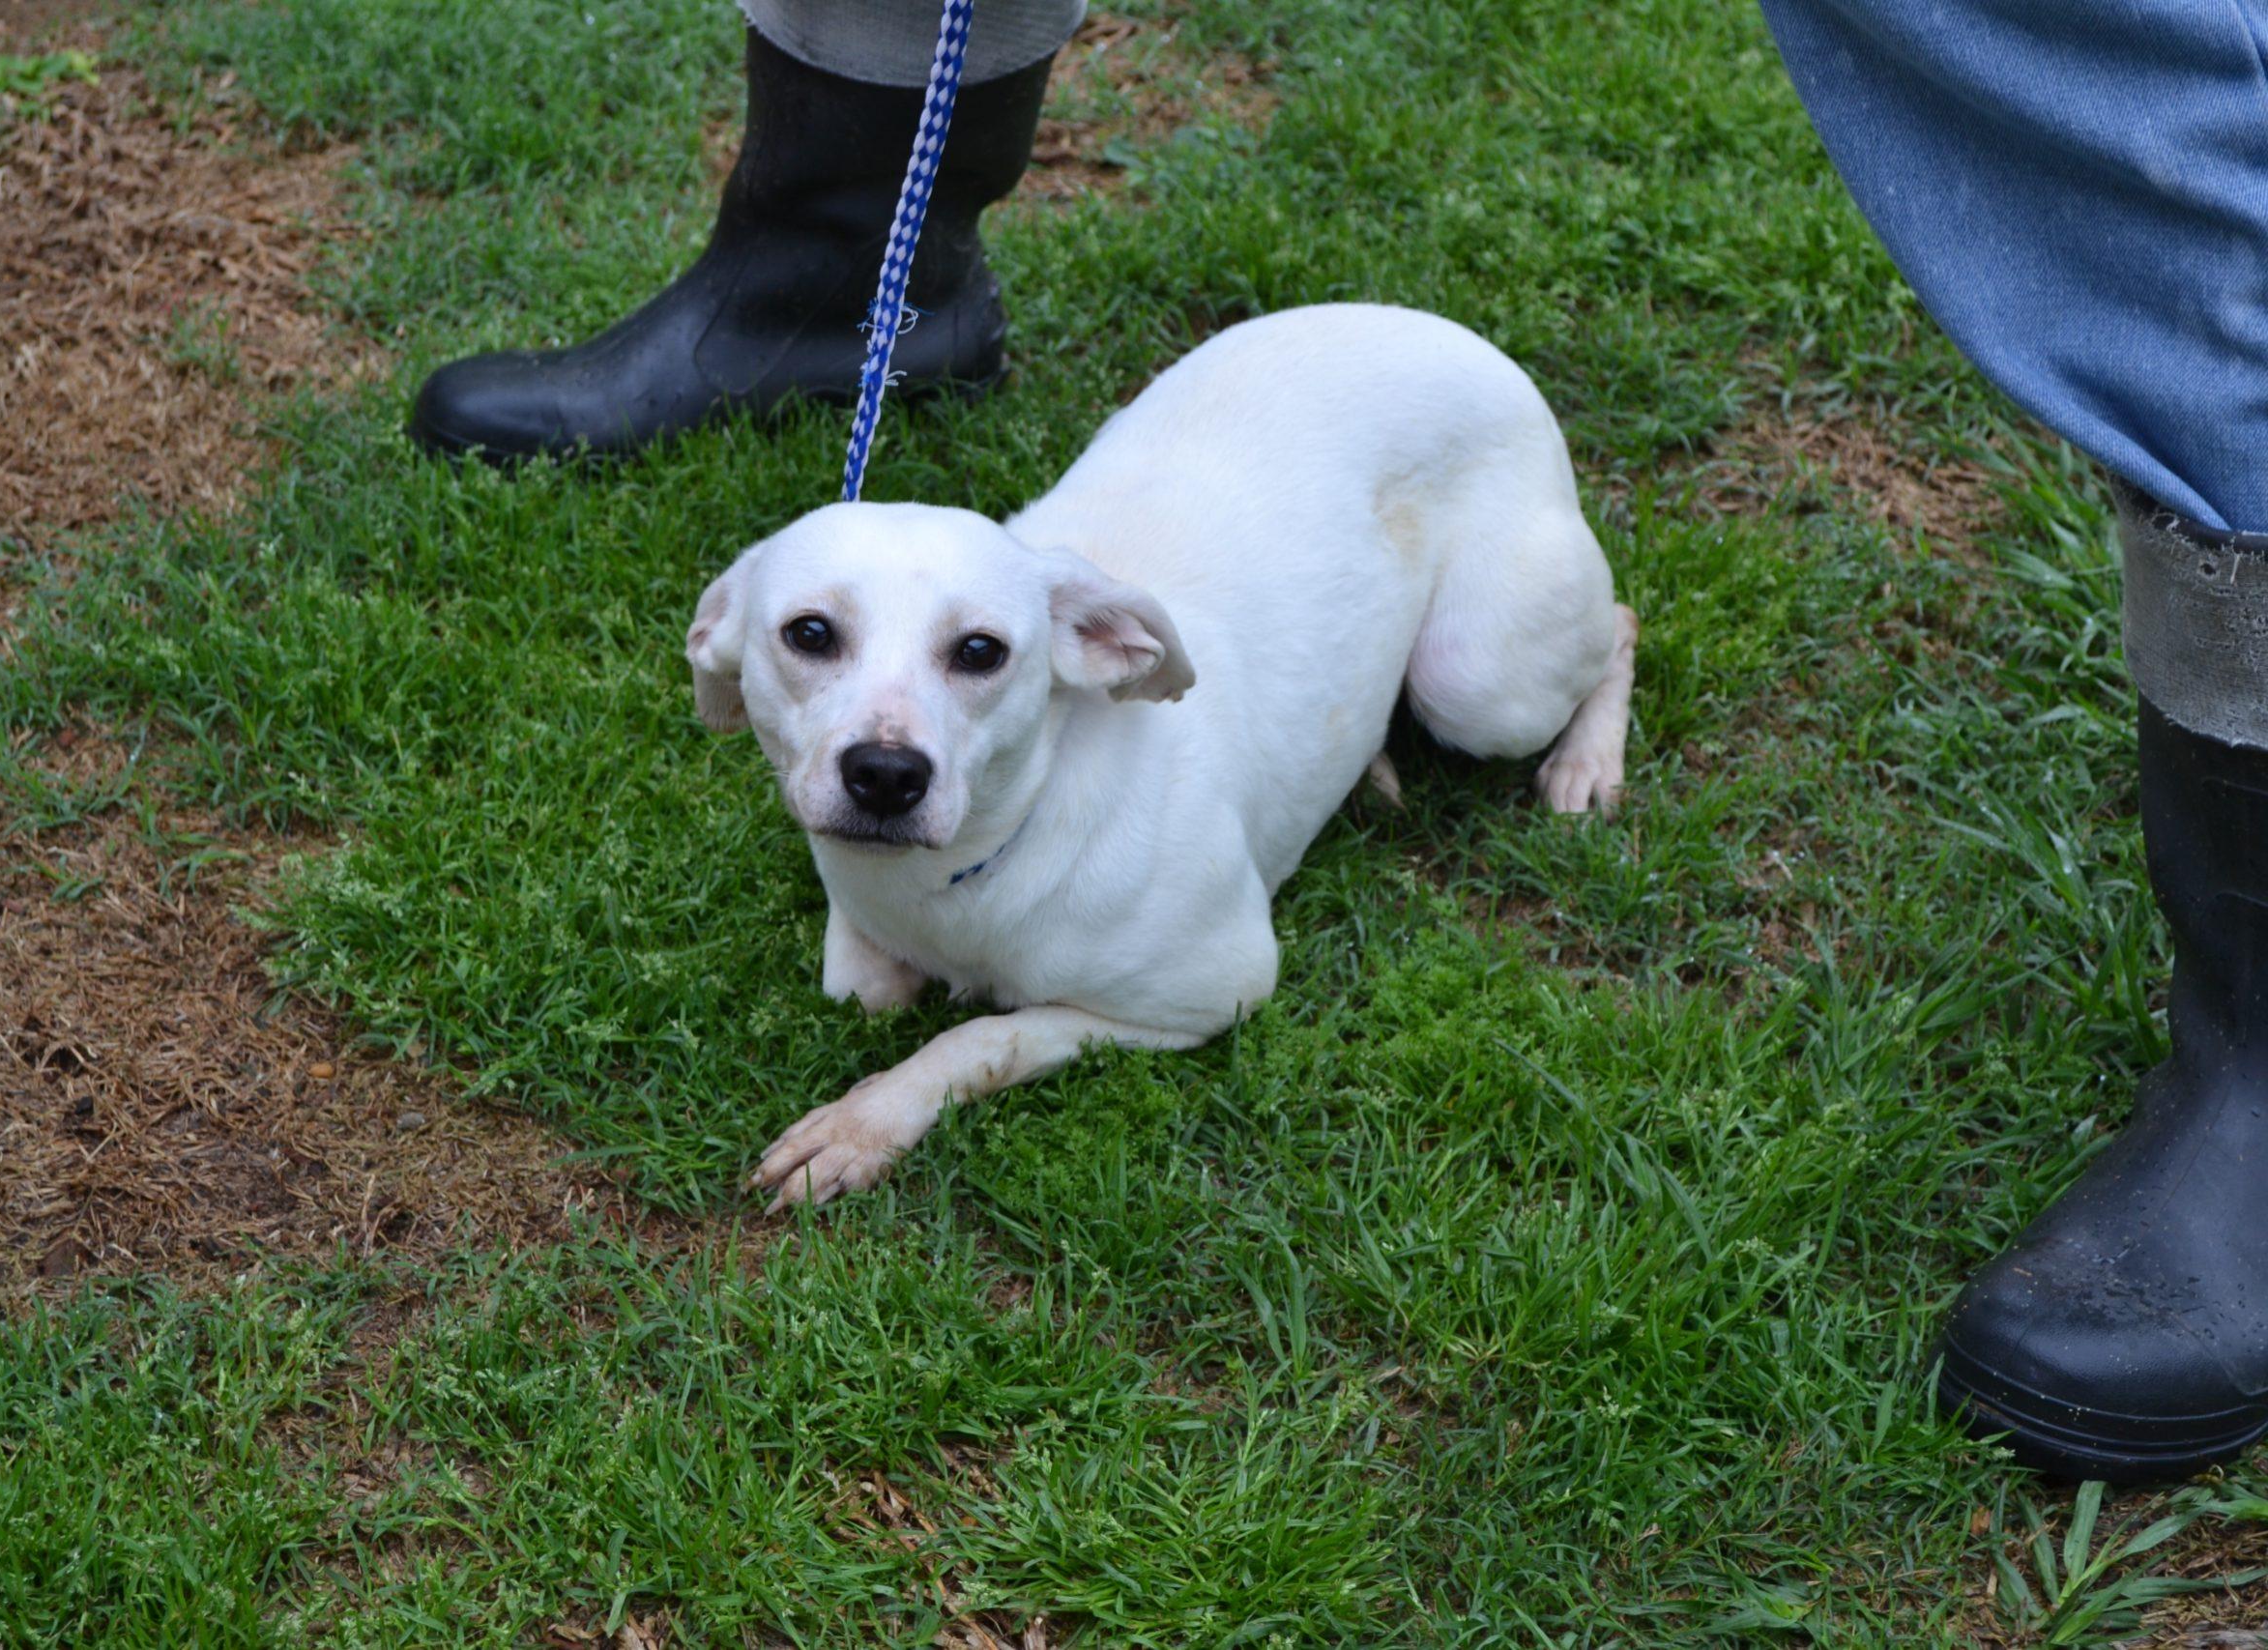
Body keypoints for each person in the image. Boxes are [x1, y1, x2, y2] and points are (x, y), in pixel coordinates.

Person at [410, 0, 2268, 1481]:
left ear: (1098, 655)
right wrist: (872, 913)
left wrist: (926, 1082)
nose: (886, 738)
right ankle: (827, 281)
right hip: (1305, 428)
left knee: (1485, 709)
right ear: (729, 655)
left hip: (1433, 449)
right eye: (817, 648)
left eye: (973, 661)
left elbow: (1219, 985)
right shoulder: (903, 719)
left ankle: (1598, 656)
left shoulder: (1119, 819)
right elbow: (873, 779)